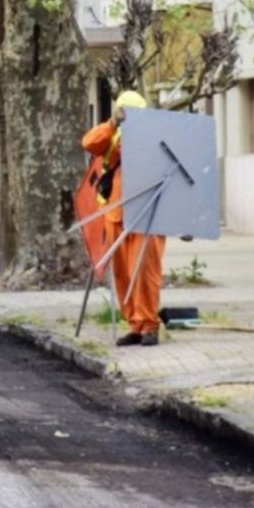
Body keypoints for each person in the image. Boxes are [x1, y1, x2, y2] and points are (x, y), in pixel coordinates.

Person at [82, 90, 165, 347]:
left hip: (147, 215)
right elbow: (89, 143)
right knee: (124, 274)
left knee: (145, 272)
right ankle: (135, 325)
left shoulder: (156, 137)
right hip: (117, 215)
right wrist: (113, 123)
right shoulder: (113, 135)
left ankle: (149, 325)